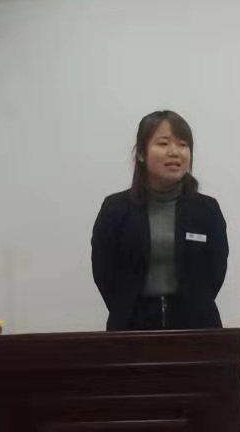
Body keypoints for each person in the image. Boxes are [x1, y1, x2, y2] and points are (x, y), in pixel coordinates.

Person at [91, 110, 228, 331]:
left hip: (197, 325)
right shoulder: (115, 209)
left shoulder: (206, 210)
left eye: (183, 145)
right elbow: (104, 271)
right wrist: (127, 307)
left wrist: (193, 304)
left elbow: (215, 271)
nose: (174, 152)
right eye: (163, 143)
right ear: (141, 153)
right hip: (131, 326)